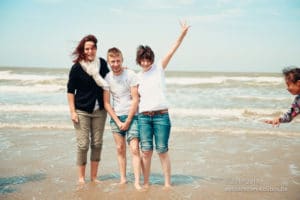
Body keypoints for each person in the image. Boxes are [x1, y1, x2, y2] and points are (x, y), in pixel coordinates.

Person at [136, 21, 190, 188]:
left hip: (161, 117)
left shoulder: (159, 67)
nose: (145, 63)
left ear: (151, 59)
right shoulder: (136, 76)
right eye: (142, 60)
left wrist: (183, 33)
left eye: (148, 59)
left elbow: (173, 48)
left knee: (162, 151)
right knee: (145, 152)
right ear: (138, 60)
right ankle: (146, 183)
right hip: (144, 117)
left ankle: (167, 184)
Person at [67, 34, 109, 184]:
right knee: (83, 144)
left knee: (97, 144)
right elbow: (70, 91)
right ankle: (81, 178)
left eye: (92, 48)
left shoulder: (102, 64)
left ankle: (94, 177)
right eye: (87, 49)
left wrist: (122, 70)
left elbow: (109, 80)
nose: (90, 51)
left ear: (96, 49)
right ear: (83, 50)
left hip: (100, 111)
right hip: (82, 110)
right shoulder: (77, 68)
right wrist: (72, 111)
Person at [103, 47, 142, 190]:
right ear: (108, 62)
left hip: (133, 117)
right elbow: (107, 103)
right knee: (120, 148)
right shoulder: (107, 78)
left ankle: (137, 182)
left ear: (122, 60)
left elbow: (136, 99)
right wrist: (119, 121)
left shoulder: (130, 75)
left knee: (134, 149)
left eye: (118, 60)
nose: (115, 64)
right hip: (116, 117)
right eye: (112, 61)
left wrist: (128, 120)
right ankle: (123, 179)